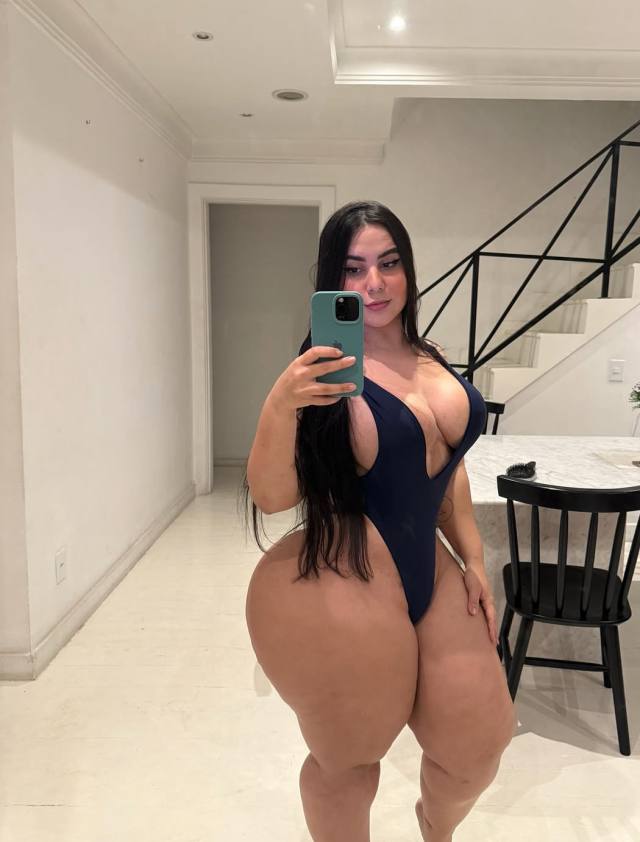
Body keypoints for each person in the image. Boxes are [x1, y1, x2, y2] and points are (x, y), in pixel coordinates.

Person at [241, 200, 516, 842]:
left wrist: (475, 559)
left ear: (408, 270)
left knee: (478, 745)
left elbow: (446, 468)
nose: (375, 283)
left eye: (389, 263)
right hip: (348, 577)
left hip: (433, 572)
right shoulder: (321, 371)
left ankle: (434, 829)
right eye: (354, 267)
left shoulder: (431, 355)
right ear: (332, 280)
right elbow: (272, 497)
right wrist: (281, 404)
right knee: (349, 760)